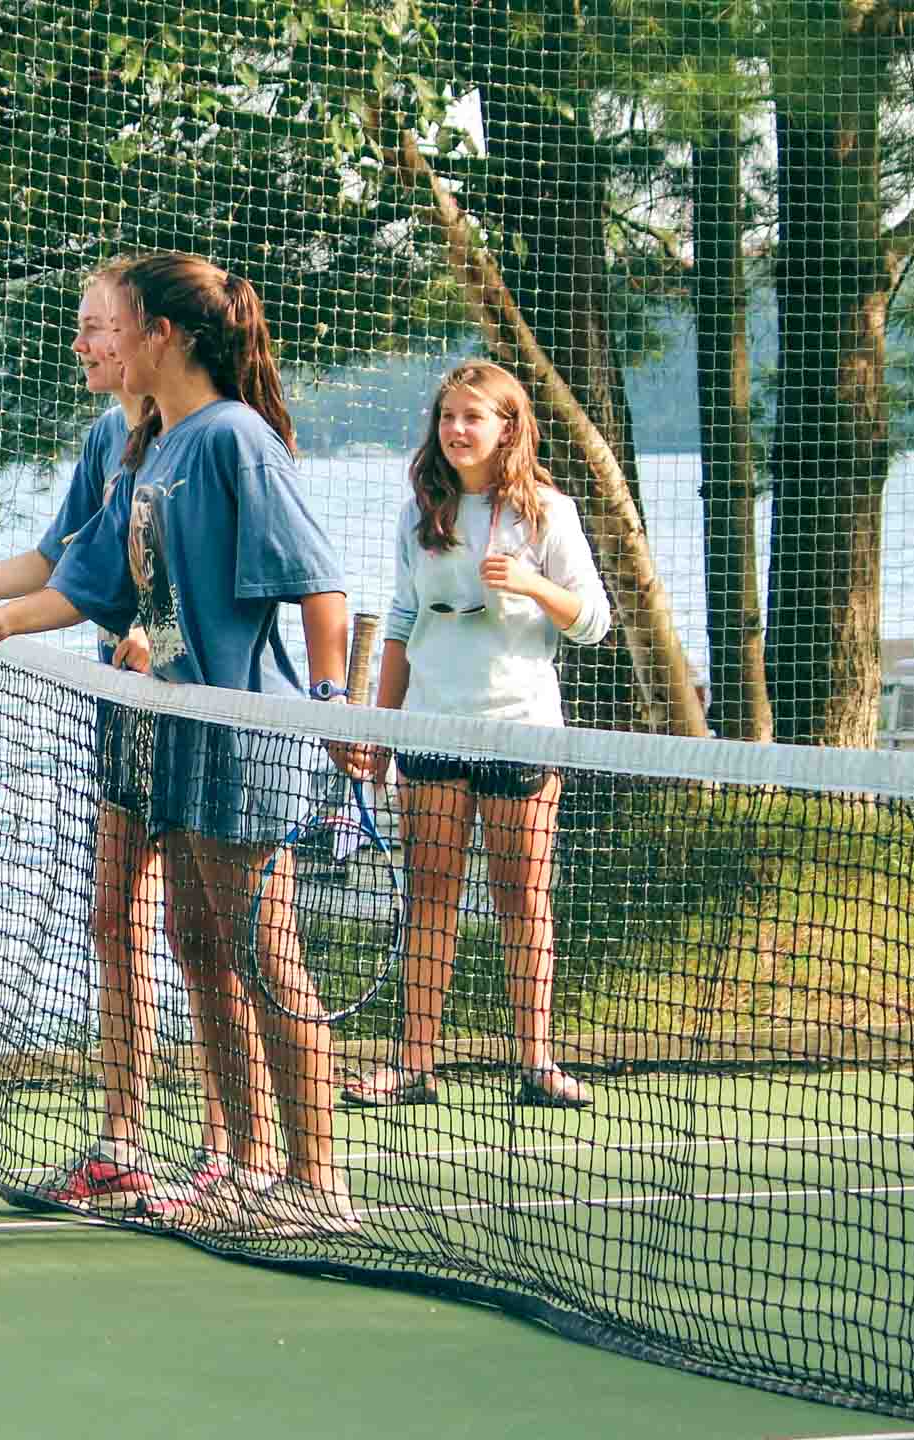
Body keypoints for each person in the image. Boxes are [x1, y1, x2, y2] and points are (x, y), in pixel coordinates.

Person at [0, 252, 370, 1238]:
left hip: (241, 735)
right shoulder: (153, 450)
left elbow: (321, 583)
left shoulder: (232, 439)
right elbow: (83, 582)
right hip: (173, 739)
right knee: (198, 945)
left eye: (117, 324)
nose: (102, 342)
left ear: (162, 337)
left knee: (264, 953)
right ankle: (250, 1163)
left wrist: (334, 700)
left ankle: (320, 1180)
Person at [0, 258, 181, 1213]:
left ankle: (238, 1152)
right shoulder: (109, 438)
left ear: (149, 335)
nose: (82, 342)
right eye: (82, 323)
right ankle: (122, 1138)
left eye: (98, 325)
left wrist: (156, 636)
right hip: (120, 711)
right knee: (117, 918)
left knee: (214, 933)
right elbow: (62, 560)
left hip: (205, 716)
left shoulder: (211, 437)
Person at [345, 359, 610, 1111]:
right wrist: (381, 727)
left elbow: (592, 622)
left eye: (474, 417)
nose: (457, 430)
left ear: (508, 428)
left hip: (519, 732)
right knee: (430, 899)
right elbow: (400, 623)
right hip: (431, 733)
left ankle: (538, 1063)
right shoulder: (417, 513)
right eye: (447, 417)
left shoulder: (548, 514)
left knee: (523, 901)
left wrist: (529, 583)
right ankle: (413, 1066)